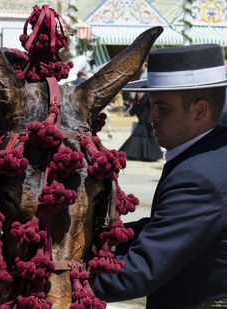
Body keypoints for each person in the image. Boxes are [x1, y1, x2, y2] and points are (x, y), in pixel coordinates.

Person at [90, 44, 227, 308]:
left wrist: (57, 274)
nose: (150, 116)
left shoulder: (199, 177)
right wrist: (101, 237)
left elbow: (137, 273)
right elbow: (164, 225)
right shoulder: (211, 150)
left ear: (199, 110)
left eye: (163, 108)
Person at [118, 90, 163, 161]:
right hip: (145, 120)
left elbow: (135, 108)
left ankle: (135, 154)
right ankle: (147, 155)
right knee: (146, 136)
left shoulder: (138, 94)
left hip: (142, 119)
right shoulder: (147, 95)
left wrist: (133, 112)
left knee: (138, 136)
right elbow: (150, 106)